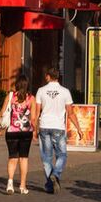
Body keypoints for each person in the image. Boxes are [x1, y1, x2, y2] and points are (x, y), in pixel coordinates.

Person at [35, 66, 73, 194]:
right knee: (62, 154)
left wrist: (34, 128)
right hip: (58, 126)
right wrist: (78, 128)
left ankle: (50, 184)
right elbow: (70, 112)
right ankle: (56, 174)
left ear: (48, 76)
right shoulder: (65, 91)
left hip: (44, 125)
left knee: (46, 157)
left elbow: (37, 112)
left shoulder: (41, 90)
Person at [0, 77, 36, 194]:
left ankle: (10, 183)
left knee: (12, 157)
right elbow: (33, 118)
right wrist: (35, 131)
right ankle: (22, 186)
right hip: (25, 131)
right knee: (23, 158)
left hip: (11, 131)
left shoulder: (10, 97)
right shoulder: (31, 98)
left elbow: (2, 112)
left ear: (17, 85)